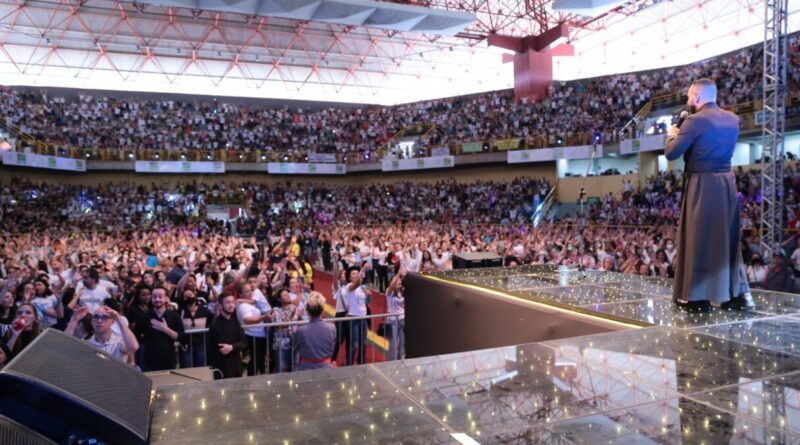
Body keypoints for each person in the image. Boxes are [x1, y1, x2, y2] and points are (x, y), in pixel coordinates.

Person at [665, 78, 754, 313]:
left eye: (688, 96)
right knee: (726, 240)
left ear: (696, 96)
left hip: (701, 184)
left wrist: (672, 134)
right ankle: (734, 294)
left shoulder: (693, 122)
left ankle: (697, 298)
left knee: (700, 239)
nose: (687, 100)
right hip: (727, 184)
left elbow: (672, 154)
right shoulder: (733, 119)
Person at [134, 286, 185, 371]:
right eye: (154, 297)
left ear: (166, 298)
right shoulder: (143, 318)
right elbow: (137, 337)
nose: (157, 299)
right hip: (149, 360)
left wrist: (165, 329)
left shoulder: (174, 316)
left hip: (169, 359)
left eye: (160, 297)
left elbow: (182, 337)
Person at [66, 305, 139, 363]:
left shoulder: (119, 342)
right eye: (96, 317)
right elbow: (64, 347)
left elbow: (134, 347)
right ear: (92, 322)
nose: (99, 320)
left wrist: (119, 319)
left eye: (104, 317)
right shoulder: (86, 344)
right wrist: (74, 320)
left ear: (112, 322)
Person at [206, 293, 247, 379]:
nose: (231, 305)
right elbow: (223, 349)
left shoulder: (235, 321)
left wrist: (231, 347)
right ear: (220, 305)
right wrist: (236, 346)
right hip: (222, 368)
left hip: (236, 365)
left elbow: (244, 342)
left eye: (232, 302)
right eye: (228, 302)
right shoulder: (215, 325)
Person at [293, 292, 336, 371]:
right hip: (327, 368)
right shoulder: (332, 328)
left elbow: (295, 349)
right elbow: (331, 349)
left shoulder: (301, 330)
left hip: (305, 369)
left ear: (307, 311)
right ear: (322, 310)